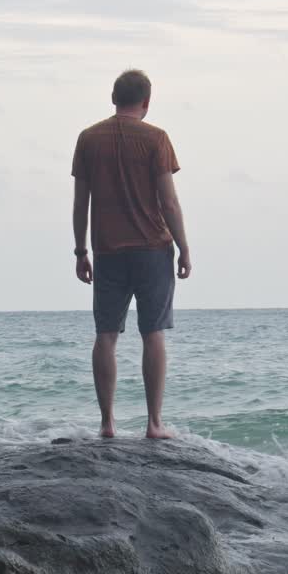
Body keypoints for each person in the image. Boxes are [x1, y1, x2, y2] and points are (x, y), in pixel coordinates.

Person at [71, 69, 191, 439]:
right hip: (153, 248)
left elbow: (81, 203)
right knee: (153, 333)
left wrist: (80, 250)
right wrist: (185, 247)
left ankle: (107, 424)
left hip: (108, 250)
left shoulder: (89, 139)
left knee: (105, 335)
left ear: (112, 97)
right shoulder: (157, 139)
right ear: (147, 102)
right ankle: (154, 424)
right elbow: (168, 202)